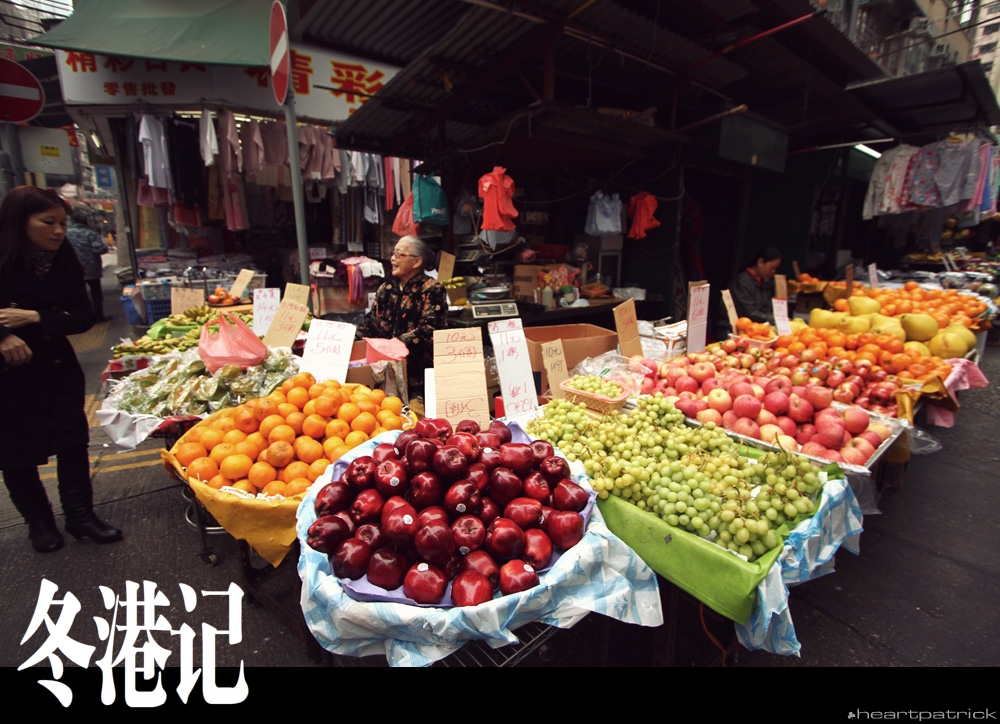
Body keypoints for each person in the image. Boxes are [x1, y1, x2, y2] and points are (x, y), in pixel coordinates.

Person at [0, 186, 122, 552]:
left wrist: (36, 317)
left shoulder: (63, 259)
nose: (57, 231)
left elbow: (83, 317)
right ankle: (38, 523)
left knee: (72, 442)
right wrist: (3, 336)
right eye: (47, 222)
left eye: (62, 224)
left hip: (56, 367)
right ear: (19, 222)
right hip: (9, 377)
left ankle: (81, 516)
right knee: (15, 452)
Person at [357, 236, 447, 395]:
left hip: (418, 376)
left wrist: (393, 346)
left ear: (417, 262)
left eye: (399, 254)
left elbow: (429, 331)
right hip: (383, 372)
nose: (392, 258)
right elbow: (371, 324)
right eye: (393, 254)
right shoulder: (386, 288)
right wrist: (352, 338)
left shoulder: (432, 289)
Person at [66, 204, 110, 322]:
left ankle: (82, 318)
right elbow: (99, 249)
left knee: (79, 295)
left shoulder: (66, 234)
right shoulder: (90, 233)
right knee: (96, 294)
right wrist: (105, 248)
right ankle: (98, 317)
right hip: (91, 268)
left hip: (73, 269)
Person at [730, 246, 783, 325]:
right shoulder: (742, 281)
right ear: (760, 262)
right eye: (772, 267)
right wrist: (773, 319)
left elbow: (767, 308)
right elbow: (750, 312)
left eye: (775, 268)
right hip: (740, 326)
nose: (773, 271)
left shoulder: (764, 282)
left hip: (759, 326)